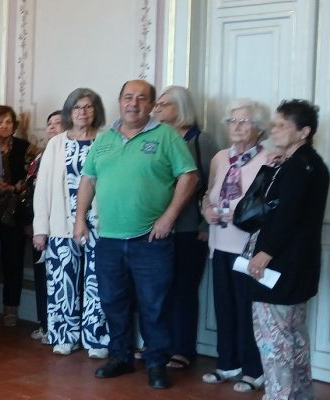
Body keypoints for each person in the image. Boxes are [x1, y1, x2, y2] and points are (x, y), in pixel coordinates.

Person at [75, 80, 198, 390]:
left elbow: (189, 176)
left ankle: (157, 363)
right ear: (119, 102)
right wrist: (79, 220)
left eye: (142, 98)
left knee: (153, 304)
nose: (134, 103)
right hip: (109, 239)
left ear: (151, 105)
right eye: (128, 97)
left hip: (151, 240)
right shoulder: (104, 140)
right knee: (112, 301)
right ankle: (120, 356)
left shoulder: (166, 136)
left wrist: (169, 216)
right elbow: (88, 181)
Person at [246, 99, 328, 399]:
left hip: (280, 265)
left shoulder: (295, 167)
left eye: (283, 125)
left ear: (303, 131)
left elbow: (287, 215)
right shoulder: (313, 164)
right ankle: (300, 394)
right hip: (301, 266)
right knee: (294, 335)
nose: (275, 130)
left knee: (274, 339)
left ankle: (279, 395)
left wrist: (265, 252)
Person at [32, 89, 110, 358]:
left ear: (95, 111)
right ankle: (65, 336)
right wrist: (40, 229)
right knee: (62, 281)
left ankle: (96, 338)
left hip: (99, 223)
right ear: (69, 112)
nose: (82, 112)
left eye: (88, 107)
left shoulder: (106, 140)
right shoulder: (56, 144)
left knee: (96, 282)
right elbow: (41, 189)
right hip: (61, 223)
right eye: (77, 108)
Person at [199, 99, 270, 392]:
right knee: (224, 306)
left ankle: (253, 370)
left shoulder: (269, 159)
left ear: (258, 128)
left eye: (244, 122)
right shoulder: (219, 158)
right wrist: (206, 210)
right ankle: (227, 364)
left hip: (249, 246)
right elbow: (207, 193)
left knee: (246, 308)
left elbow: (271, 205)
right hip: (220, 242)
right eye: (232, 121)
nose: (236, 127)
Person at [153, 85, 214, 370]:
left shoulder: (202, 141)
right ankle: (158, 346)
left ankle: (182, 349)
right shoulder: (155, 138)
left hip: (190, 229)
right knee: (157, 289)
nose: (157, 108)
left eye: (165, 104)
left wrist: (206, 224)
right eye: (158, 104)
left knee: (183, 290)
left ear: (181, 107)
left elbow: (215, 187)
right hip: (155, 228)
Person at [0, 104, 31, 327]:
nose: (4, 126)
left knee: (13, 262)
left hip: (15, 212)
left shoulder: (24, 147)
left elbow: (31, 177)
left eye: (8, 122)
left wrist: (14, 187)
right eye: (0, 121)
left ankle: (11, 309)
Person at [27, 110, 64, 344]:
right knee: (42, 277)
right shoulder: (39, 156)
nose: (52, 127)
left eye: (58, 123)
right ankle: (45, 324)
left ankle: (61, 327)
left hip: (61, 226)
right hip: (38, 225)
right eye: (49, 123)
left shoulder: (70, 153)